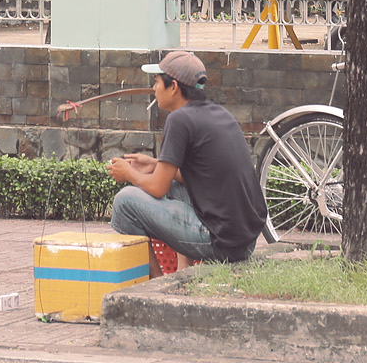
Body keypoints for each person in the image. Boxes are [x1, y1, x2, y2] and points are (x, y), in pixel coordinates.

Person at [107, 49, 267, 272]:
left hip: (221, 243)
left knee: (125, 202)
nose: (153, 89)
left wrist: (129, 173)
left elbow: (157, 188)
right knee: (176, 185)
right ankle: (183, 271)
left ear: (173, 87)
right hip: (245, 241)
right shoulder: (218, 112)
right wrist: (155, 164)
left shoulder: (179, 120)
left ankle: (155, 283)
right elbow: (203, 174)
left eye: (156, 83)